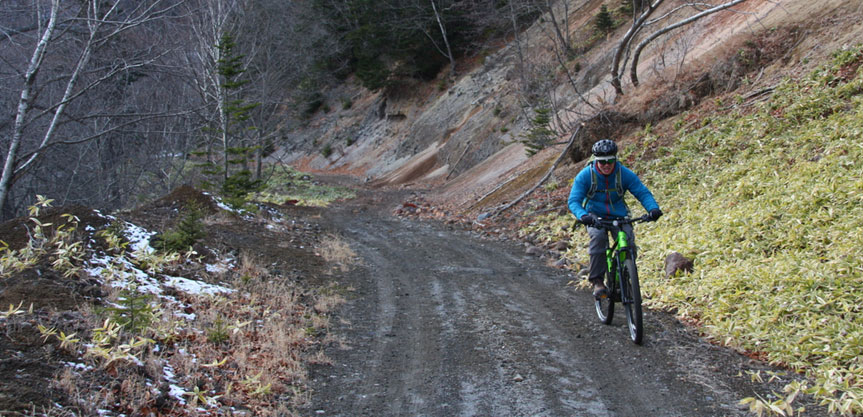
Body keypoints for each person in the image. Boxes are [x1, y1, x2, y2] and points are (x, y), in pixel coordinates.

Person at [568, 139, 662, 298]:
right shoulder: (586, 176)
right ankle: (597, 281)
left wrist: (653, 209)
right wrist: (583, 215)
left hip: (619, 215)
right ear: (596, 160)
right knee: (598, 239)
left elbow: (642, 192)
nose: (606, 165)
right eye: (602, 162)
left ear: (615, 159)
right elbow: (574, 200)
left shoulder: (623, 174)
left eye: (610, 161)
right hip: (594, 217)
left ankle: (625, 276)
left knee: (629, 242)